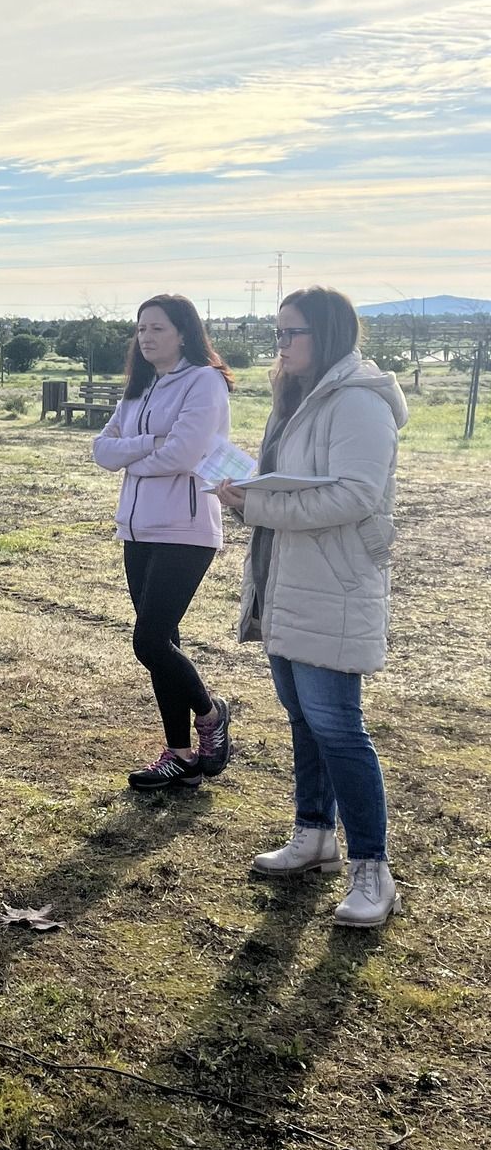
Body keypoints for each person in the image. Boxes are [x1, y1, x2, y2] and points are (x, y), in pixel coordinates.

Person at [215, 287, 408, 929]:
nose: (280, 346)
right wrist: (247, 495)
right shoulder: (295, 395)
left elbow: (355, 495)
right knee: (303, 719)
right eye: (277, 334)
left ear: (325, 334)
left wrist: (257, 504)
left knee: (339, 727)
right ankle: (314, 834)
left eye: (290, 333)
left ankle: (372, 871)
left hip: (331, 584)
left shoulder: (357, 401)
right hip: (285, 579)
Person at [92, 295, 234, 789]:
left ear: (184, 333)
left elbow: (185, 453)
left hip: (186, 530)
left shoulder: (205, 381)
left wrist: (133, 456)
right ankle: (180, 756)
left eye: (157, 328)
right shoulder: (140, 387)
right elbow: (101, 449)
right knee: (162, 644)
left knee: (149, 640)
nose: (147, 337)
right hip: (137, 529)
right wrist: (149, 447)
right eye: (141, 329)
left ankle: (211, 713)